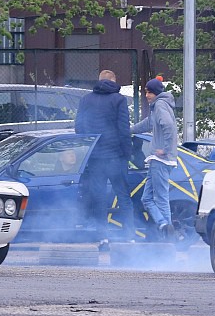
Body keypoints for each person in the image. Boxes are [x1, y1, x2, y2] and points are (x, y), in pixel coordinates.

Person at [74, 69, 134, 249]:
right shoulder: (119, 100)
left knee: (99, 199)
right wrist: (127, 154)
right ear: (114, 81)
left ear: (99, 80)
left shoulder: (85, 100)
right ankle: (129, 238)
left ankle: (103, 239)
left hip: (95, 158)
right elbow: (124, 129)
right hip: (115, 157)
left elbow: (79, 128)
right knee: (124, 197)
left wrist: (90, 149)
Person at [131, 76, 179, 240]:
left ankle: (167, 232)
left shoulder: (159, 105)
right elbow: (148, 124)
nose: (147, 95)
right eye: (145, 92)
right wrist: (129, 130)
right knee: (147, 199)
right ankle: (163, 225)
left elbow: (169, 126)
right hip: (156, 160)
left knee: (160, 197)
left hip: (161, 160)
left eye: (149, 92)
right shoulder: (159, 106)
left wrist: (164, 149)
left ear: (156, 92)